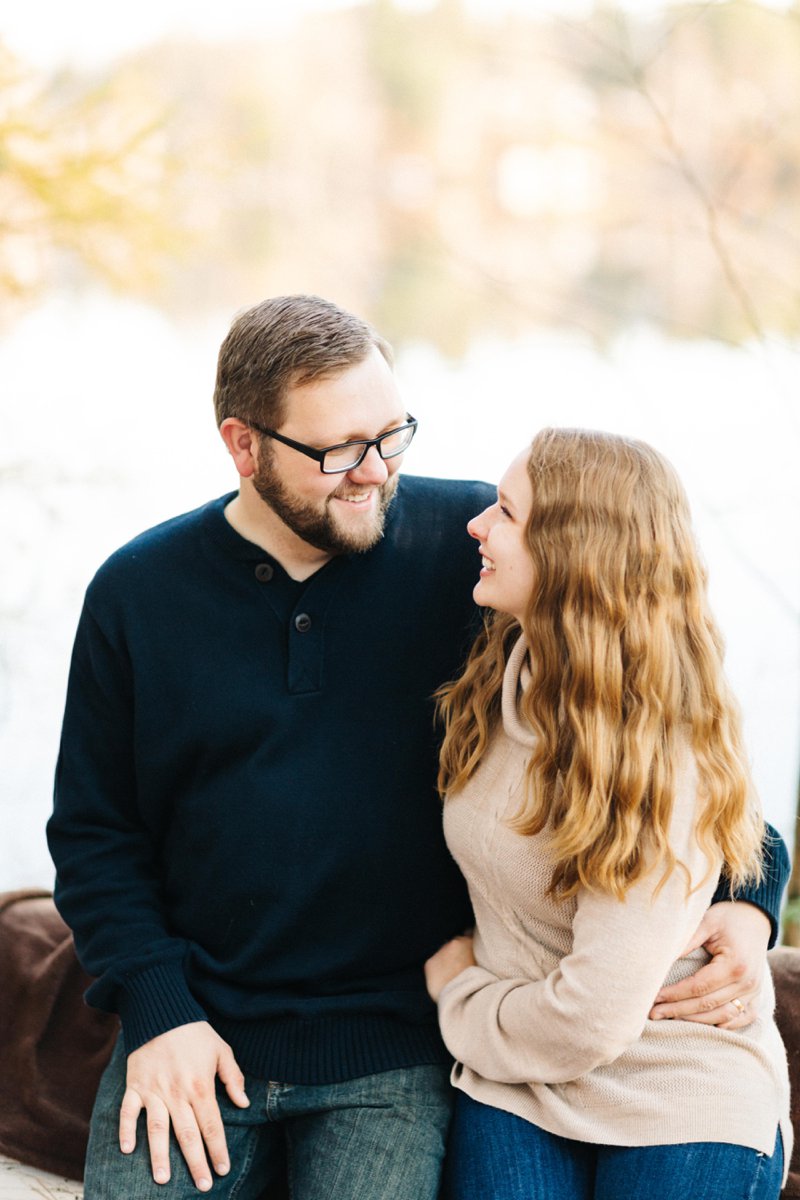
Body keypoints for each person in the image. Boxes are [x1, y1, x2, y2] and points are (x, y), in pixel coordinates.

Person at [47, 298, 788, 1200]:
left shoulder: (474, 553)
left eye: (392, 434)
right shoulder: (138, 595)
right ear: (244, 447)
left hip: (395, 1042)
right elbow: (94, 836)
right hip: (200, 1022)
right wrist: (159, 1014)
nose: (376, 473)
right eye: (339, 452)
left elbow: (657, 721)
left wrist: (751, 900)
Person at [424, 428, 792, 1200]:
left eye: (506, 512)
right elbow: (753, 837)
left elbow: (592, 1019)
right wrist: (759, 905)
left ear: (573, 555)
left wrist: (459, 991)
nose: (475, 525)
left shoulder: (666, 744)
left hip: (676, 1078)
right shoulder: (501, 669)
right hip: (519, 1076)